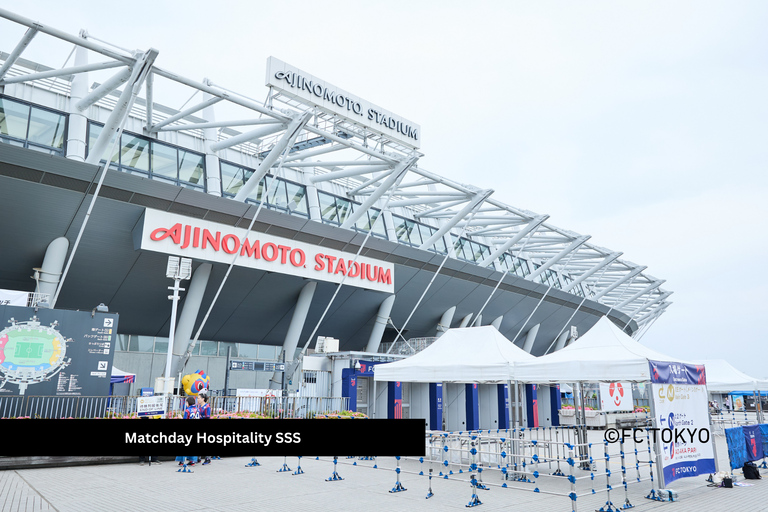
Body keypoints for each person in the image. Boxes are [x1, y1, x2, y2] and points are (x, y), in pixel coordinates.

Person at [176, 396, 200, 467]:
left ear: (188, 402)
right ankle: (192, 461)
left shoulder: (187, 410)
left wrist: (180, 418)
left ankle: (181, 461)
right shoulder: (197, 409)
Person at [197, 391, 213, 465]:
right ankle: (198, 458)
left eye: (199, 398)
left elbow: (207, 417)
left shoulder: (207, 407)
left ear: (203, 399)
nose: (198, 399)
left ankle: (208, 458)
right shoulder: (199, 406)